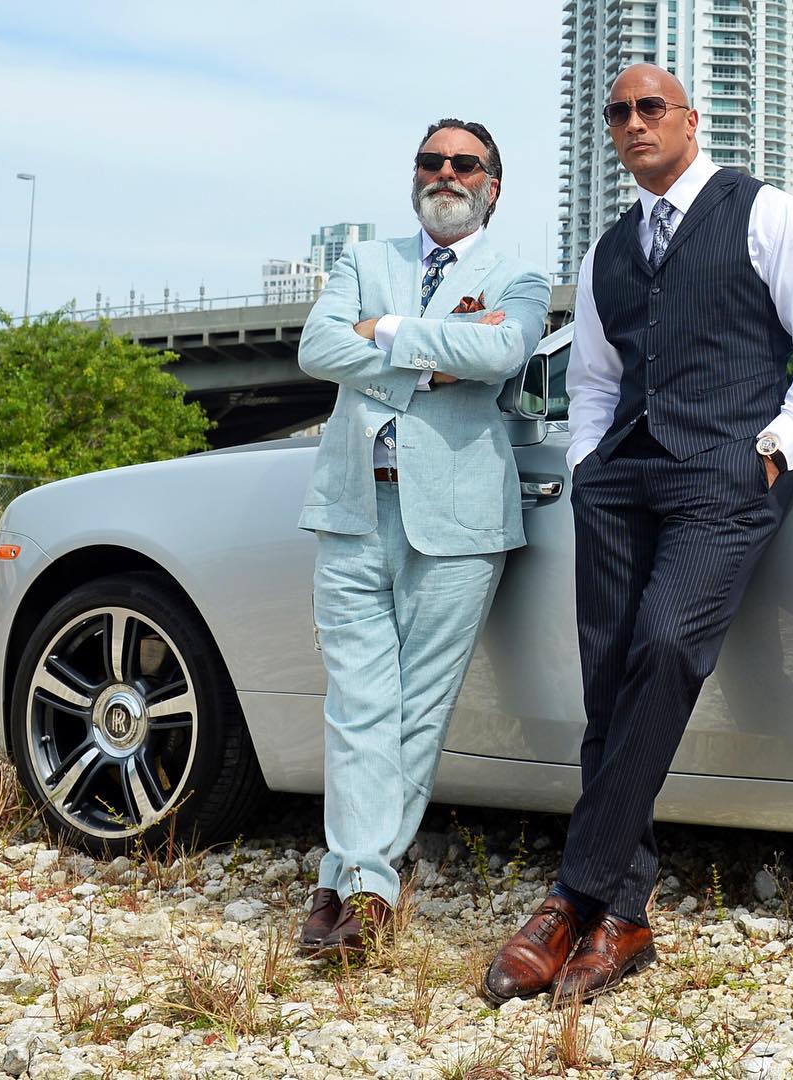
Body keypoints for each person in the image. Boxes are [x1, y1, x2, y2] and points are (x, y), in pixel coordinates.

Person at [484, 64, 793, 1003]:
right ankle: (625, 915)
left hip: (724, 474)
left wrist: (772, 451)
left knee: (663, 649)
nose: (632, 122)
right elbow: (594, 380)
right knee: (607, 683)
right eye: (617, 111)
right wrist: (587, 466)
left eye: (650, 107)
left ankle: (572, 895)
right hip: (619, 480)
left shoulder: (767, 213)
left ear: (691, 120)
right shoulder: (607, 251)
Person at [296, 118, 550, 956]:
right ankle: (366, 884)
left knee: (418, 710)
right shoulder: (364, 260)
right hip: (353, 507)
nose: (446, 173)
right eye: (431, 161)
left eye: (464, 163)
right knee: (358, 705)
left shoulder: (519, 274)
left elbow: (503, 350)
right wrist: (439, 359)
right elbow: (317, 347)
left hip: (460, 520)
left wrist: (386, 332)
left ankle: (346, 882)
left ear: (491, 185)